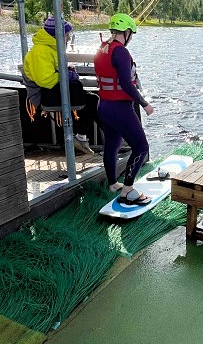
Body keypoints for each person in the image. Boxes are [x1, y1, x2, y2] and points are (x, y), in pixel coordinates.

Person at [94, 13, 154, 204]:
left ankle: (113, 183)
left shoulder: (103, 48)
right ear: (126, 32)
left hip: (104, 106)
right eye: (131, 34)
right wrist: (145, 104)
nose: (131, 38)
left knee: (112, 145)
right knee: (141, 147)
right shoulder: (120, 52)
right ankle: (127, 191)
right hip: (119, 108)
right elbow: (126, 84)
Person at [23, 16, 98, 154]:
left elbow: (53, 70)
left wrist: (67, 70)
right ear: (57, 35)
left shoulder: (51, 49)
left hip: (52, 91)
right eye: (66, 35)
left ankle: (83, 138)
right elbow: (45, 80)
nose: (68, 38)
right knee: (90, 99)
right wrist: (67, 75)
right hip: (44, 95)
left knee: (92, 100)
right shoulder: (40, 51)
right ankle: (104, 139)